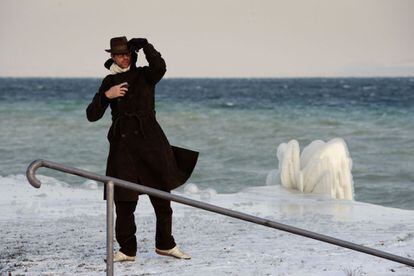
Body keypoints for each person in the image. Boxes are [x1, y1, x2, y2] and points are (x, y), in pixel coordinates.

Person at [86, 36, 198, 262]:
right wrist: (108, 96)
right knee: (125, 203)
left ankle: (166, 244)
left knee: (162, 199)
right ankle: (127, 250)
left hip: (151, 143)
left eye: (127, 53)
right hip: (123, 147)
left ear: (132, 54)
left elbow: (161, 67)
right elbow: (92, 115)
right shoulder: (109, 81)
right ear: (112, 57)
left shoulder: (145, 75)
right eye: (119, 55)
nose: (124, 58)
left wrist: (147, 46)